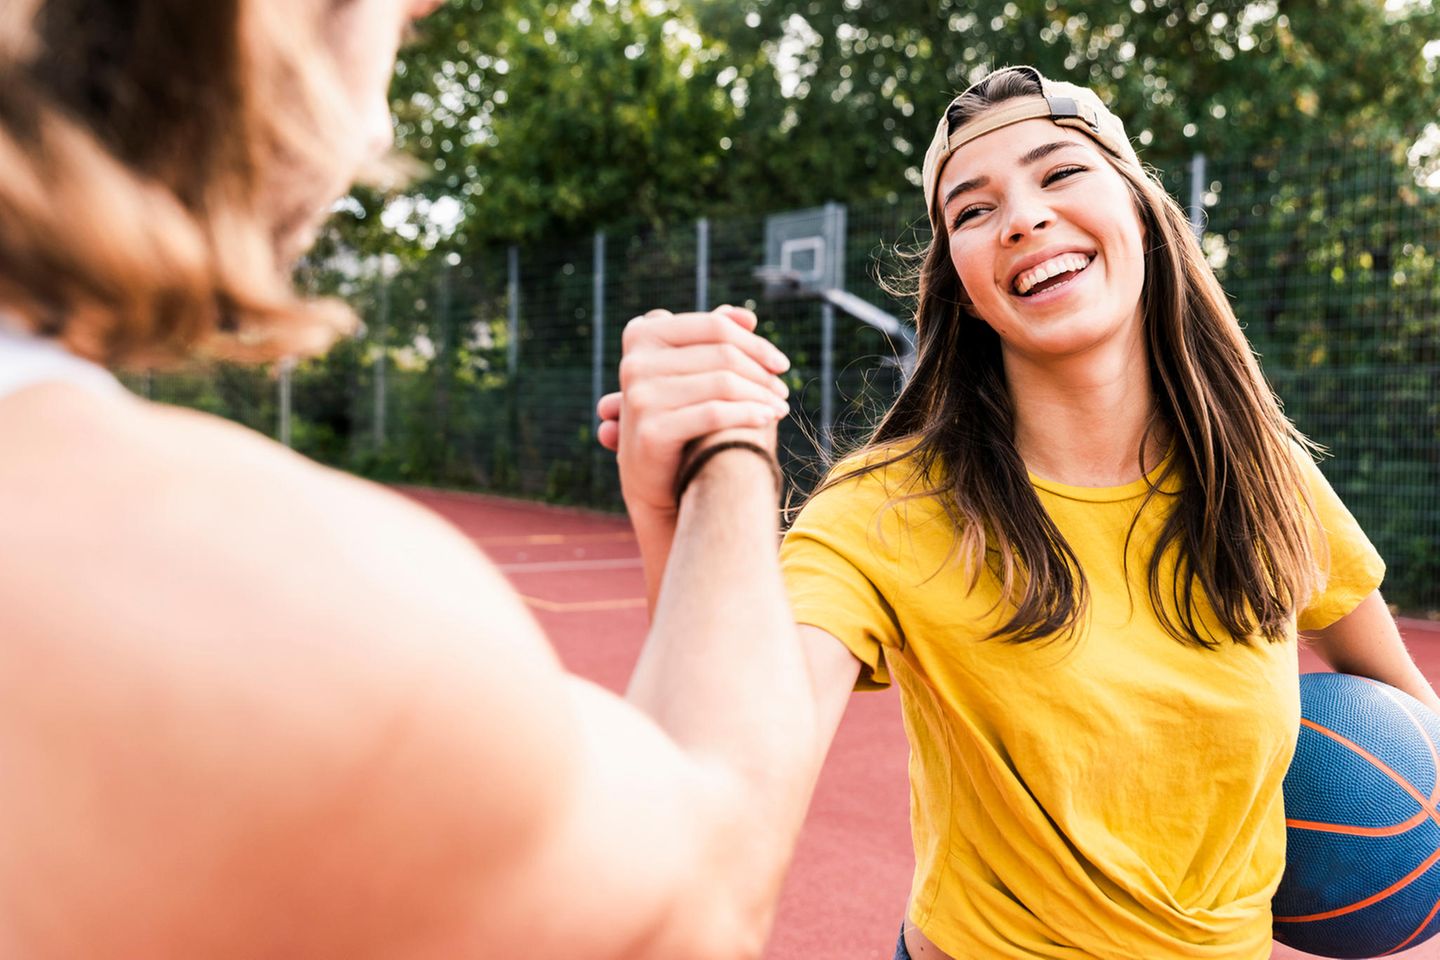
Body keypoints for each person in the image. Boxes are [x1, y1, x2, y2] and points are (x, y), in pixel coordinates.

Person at [0, 2, 828, 957]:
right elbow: (710, 878)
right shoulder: (287, 603)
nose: (378, 126)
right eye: (399, 21)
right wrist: (730, 444)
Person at [600, 65, 1440, 959]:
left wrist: (1373, 847)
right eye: (972, 209)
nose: (1024, 216)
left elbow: (1407, 721)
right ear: (961, 281)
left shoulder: (1259, 477)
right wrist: (683, 509)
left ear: (1143, 213)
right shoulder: (887, 511)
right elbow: (720, 804)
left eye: (1060, 173)